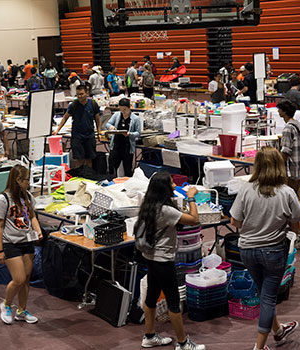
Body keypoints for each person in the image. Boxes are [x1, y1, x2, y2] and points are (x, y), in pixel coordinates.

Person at [230, 147, 300, 350]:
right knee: (269, 298)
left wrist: (254, 227)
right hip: (273, 252)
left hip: (247, 250)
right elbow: (297, 226)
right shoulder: (287, 193)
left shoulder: (246, 189)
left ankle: (279, 331)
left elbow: (235, 220)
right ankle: (259, 347)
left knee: (264, 292)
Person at [134, 172, 205, 350]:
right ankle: (183, 343)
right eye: (172, 184)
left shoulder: (148, 206)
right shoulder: (166, 210)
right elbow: (194, 220)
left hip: (150, 258)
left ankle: (149, 336)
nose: (174, 186)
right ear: (164, 188)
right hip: (163, 261)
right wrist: (191, 198)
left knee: (151, 297)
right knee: (174, 302)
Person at [0, 164, 42, 325]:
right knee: (19, 278)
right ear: (17, 180)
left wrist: (38, 230)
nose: (29, 183)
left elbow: (32, 216)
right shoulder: (3, 199)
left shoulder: (27, 196)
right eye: (26, 180)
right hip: (10, 243)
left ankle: (21, 311)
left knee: (26, 279)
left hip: (27, 241)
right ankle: (6, 304)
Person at [278, 99, 300, 246]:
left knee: (288, 203)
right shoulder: (299, 125)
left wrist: (276, 166)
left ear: (284, 111)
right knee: (296, 201)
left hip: (290, 171)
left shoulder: (287, 129)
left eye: (279, 109)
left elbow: (285, 152)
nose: (278, 111)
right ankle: (296, 233)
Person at [53, 85, 101, 168]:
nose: (79, 96)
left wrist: (99, 132)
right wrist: (57, 130)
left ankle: (88, 177)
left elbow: (97, 119)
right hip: (77, 136)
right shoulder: (73, 105)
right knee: (79, 160)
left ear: (87, 93)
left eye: (82, 94)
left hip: (89, 136)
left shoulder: (93, 104)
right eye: (78, 94)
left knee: (89, 160)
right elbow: (65, 118)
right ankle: (78, 177)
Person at [106, 98, 141, 177]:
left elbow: (138, 133)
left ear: (129, 108)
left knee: (127, 168)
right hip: (116, 144)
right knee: (112, 165)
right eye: (121, 109)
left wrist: (130, 134)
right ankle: (111, 181)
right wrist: (111, 127)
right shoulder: (116, 115)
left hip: (127, 146)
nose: (123, 112)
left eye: (125, 109)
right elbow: (108, 124)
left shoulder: (135, 119)